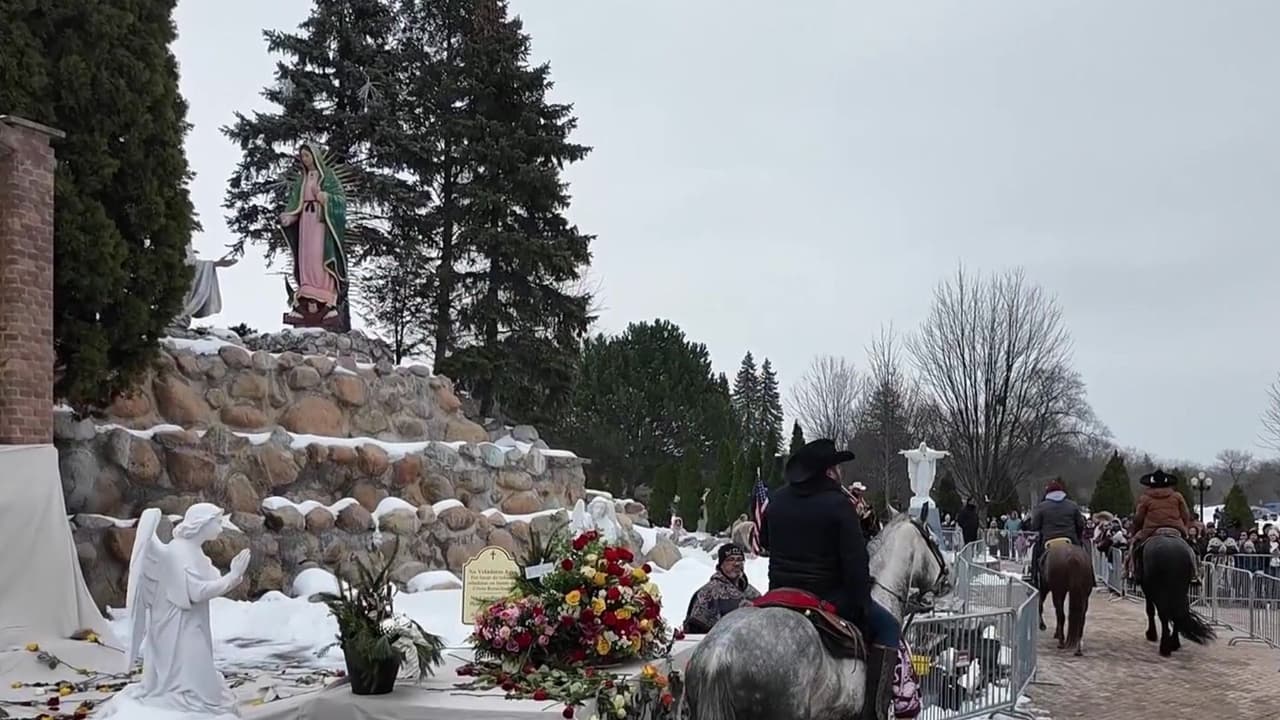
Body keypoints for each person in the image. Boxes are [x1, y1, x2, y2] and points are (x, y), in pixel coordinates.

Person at [759, 438, 899, 720]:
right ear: (828, 472)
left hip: (779, 593)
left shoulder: (777, 499)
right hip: (826, 597)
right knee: (888, 626)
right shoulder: (838, 504)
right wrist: (861, 605)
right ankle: (875, 710)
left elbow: (764, 541)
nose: (840, 471)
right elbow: (856, 563)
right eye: (837, 466)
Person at [1130, 469, 1196, 583]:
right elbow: (1186, 515)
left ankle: (1134, 571)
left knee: (1135, 546)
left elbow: (1139, 518)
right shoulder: (1177, 496)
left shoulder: (1145, 498)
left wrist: (1136, 528)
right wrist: (1185, 527)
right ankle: (1195, 572)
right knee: (1192, 547)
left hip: (1151, 529)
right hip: (1176, 528)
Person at [682, 543, 761, 634]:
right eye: (731, 559)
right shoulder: (708, 592)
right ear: (721, 564)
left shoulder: (753, 593)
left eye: (740, 560)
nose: (736, 564)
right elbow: (695, 629)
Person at [1025, 479, 1086, 590]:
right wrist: (1078, 536)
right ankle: (1090, 578)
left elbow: (1035, 526)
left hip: (1048, 541)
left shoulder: (1042, 506)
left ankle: (1034, 578)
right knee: (1084, 554)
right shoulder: (1073, 505)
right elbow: (1081, 524)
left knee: (1035, 553)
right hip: (1070, 539)